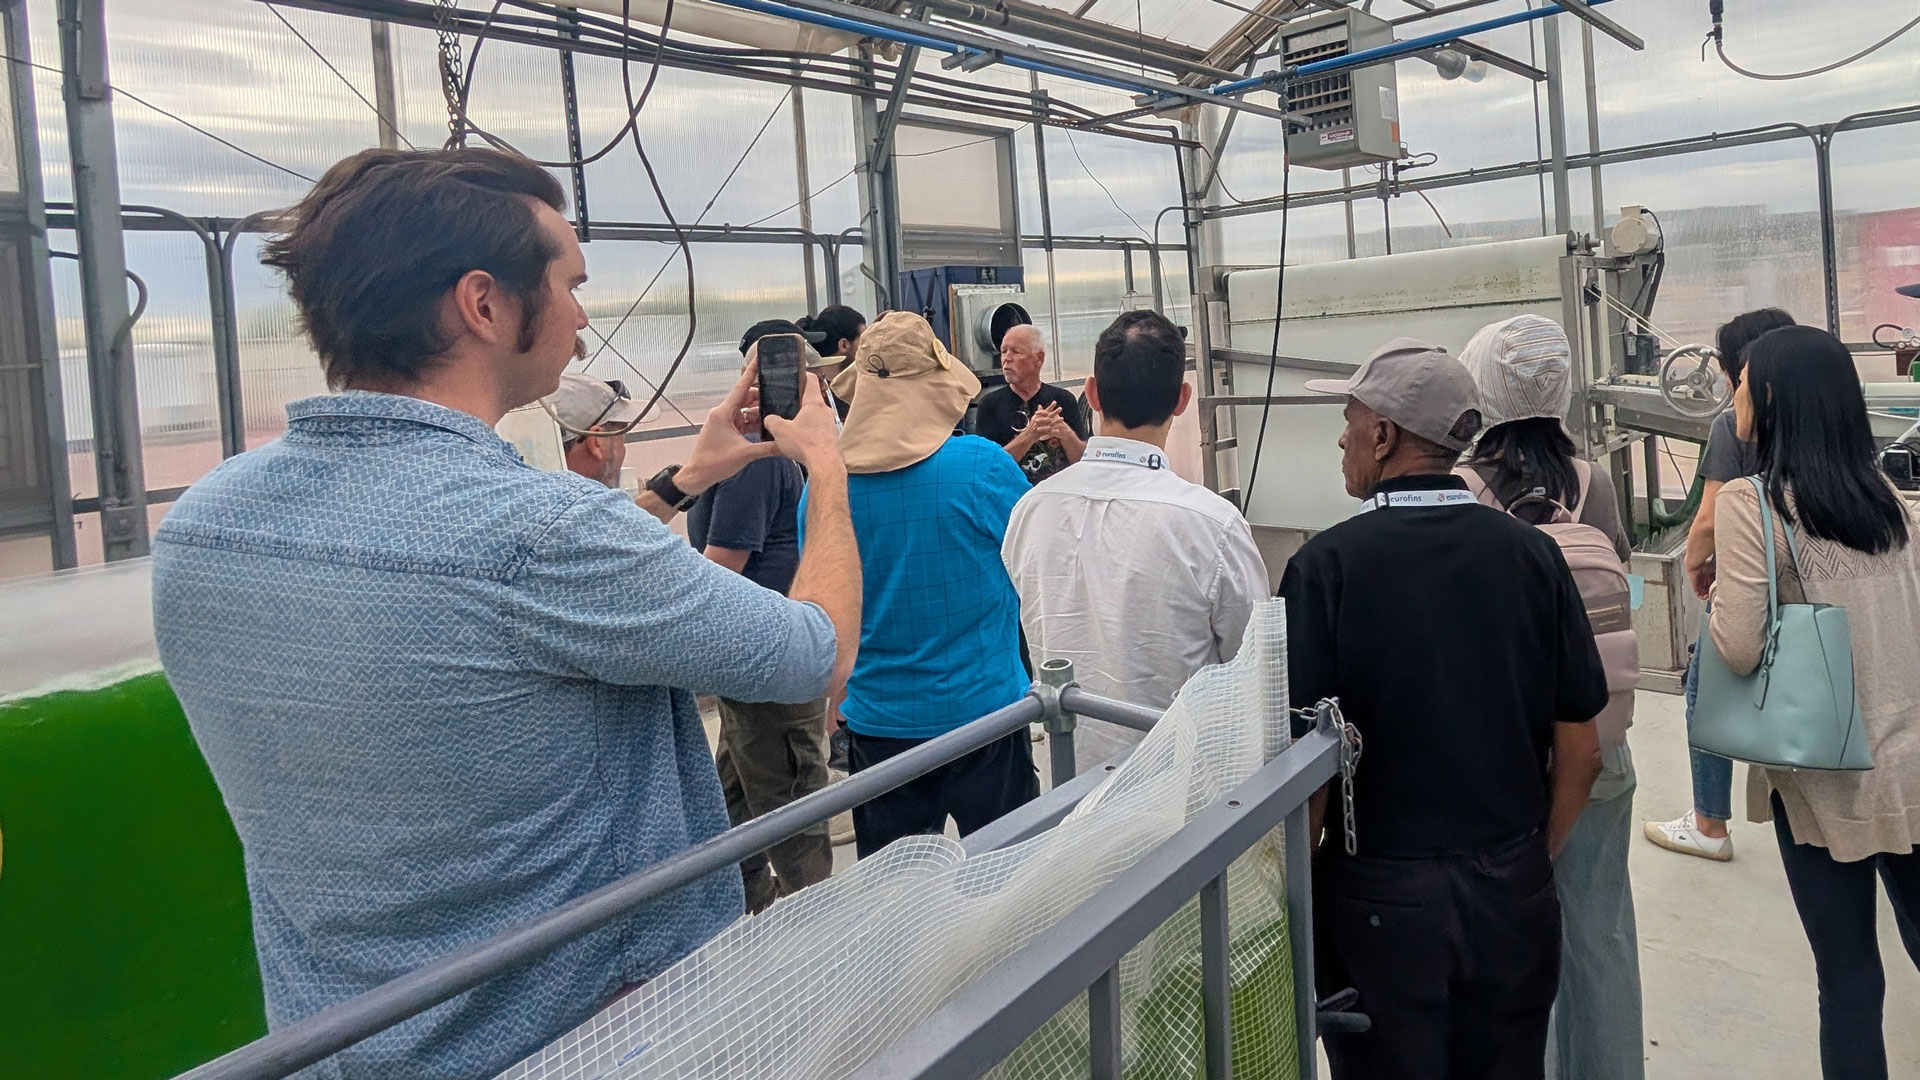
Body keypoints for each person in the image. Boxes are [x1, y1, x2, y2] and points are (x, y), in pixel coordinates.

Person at [149, 148, 861, 1080]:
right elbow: (815, 656)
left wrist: (687, 476)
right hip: (598, 1043)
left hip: (334, 1042)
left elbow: (501, 597)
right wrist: (828, 469)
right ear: (483, 304)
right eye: (568, 284)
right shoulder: (541, 530)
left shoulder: (205, 524)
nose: (580, 315)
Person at [1279, 338, 1608, 1080]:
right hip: (1512, 886)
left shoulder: (1325, 569)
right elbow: (1582, 753)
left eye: (1350, 417)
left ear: (1385, 435)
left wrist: (1296, 903)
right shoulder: (1533, 555)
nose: (1342, 436)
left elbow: (1310, 780)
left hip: (1379, 900)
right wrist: (1525, 861)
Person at [1707, 325, 1920, 1080]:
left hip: (1823, 777)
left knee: (1851, 981)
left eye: (1740, 382)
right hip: (1912, 766)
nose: (1732, 393)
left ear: (1768, 399)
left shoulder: (1751, 504)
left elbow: (1737, 645)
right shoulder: (1892, 501)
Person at [1458, 315, 1642, 1080]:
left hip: (1507, 757)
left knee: (1510, 946)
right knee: (1600, 933)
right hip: (1600, 742)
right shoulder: (1590, 478)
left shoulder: (1466, 490)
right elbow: (1618, 582)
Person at [807, 310, 1038, 857]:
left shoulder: (823, 489)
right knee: (1009, 875)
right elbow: (1033, 564)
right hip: (987, 715)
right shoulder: (980, 466)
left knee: (899, 903)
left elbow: (822, 608)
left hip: (879, 723)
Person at [1002, 310, 1266, 771]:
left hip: (1069, 782)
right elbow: (1254, 668)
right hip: (1183, 787)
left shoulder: (1030, 510)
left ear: (1092, 393)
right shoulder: (1212, 524)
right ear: (1183, 400)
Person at [685, 324, 835, 914]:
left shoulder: (753, 458)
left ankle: (754, 909)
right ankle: (808, 926)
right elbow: (723, 564)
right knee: (791, 812)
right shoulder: (759, 463)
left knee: (739, 797)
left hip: (749, 662)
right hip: (766, 661)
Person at [1646, 307, 1797, 862]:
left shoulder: (1734, 424)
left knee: (1705, 689)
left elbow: (1708, 519)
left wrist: (1697, 565)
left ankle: (1710, 822)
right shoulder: (1821, 418)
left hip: (1750, 579)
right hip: (1816, 583)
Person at [975, 324, 1090, 485]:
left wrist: (1066, 434)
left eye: (1016, 352)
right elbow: (986, 467)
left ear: (1039, 358)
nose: (1006, 358)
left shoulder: (1063, 400)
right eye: (1003, 351)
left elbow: (1083, 463)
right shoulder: (990, 404)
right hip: (1012, 498)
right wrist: (1030, 435)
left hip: (1058, 495)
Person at [545, 373, 643, 488]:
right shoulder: (601, 505)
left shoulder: (532, 496)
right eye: (621, 438)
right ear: (596, 441)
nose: (624, 450)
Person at [798, 305, 865, 421]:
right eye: (864, 340)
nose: (868, 348)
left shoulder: (806, 394)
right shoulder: (853, 400)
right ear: (844, 345)